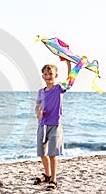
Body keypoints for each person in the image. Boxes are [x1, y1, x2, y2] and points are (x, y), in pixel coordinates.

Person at [33, 61, 71, 191]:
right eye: (46, 74)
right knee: (42, 153)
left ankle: (54, 180)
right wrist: (38, 113)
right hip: (42, 125)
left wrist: (69, 64)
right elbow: (37, 106)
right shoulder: (40, 92)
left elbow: (70, 81)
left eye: (51, 74)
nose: (48, 76)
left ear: (56, 75)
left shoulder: (59, 88)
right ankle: (47, 175)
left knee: (52, 154)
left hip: (55, 125)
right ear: (43, 76)